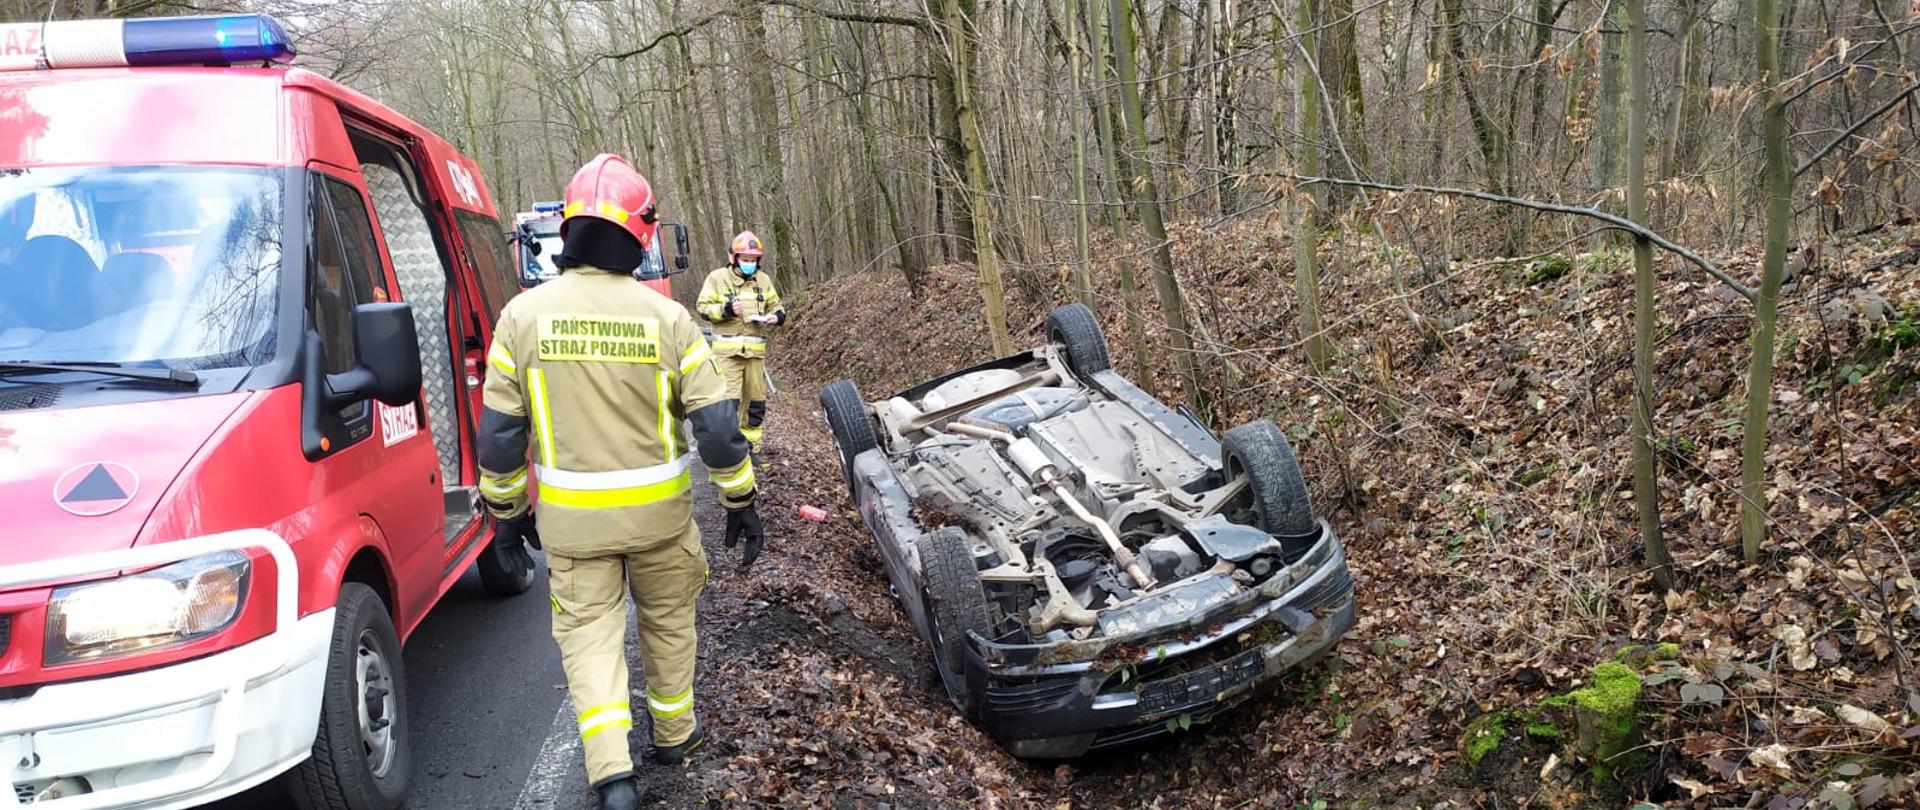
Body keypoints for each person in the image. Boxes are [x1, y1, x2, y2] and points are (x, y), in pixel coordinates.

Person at [477, 154, 764, 810]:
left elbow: (499, 435)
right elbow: (719, 429)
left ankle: (612, 776)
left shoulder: (522, 318)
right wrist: (740, 499)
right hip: (661, 522)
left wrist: (507, 512)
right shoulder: (669, 320)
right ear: (642, 232)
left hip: (574, 530)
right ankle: (676, 736)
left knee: (589, 641)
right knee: (668, 623)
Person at [695, 231, 786, 456]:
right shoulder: (717, 278)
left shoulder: (763, 281)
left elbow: (777, 307)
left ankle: (752, 451)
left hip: (755, 356)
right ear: (733, 258)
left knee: (755, 405)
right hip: (728, 356)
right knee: (729, 406)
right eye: (745, 259)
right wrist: (726, 310)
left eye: (753, 260)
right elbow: (703, 308)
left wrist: (776, 317)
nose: (749, 263)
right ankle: (730, 454)